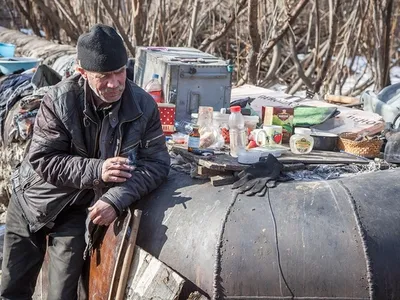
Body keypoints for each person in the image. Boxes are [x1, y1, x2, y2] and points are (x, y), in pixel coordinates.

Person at [1, 24, 170, 299]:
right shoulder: (58, 100)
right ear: (82, 72)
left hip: (78, 210)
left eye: (120, 72)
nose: (115, 83)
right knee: (12, 289)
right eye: (104, 76)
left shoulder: (143, 105)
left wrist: (117, 199)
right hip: (32, 199)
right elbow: (44, 159)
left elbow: (157, 163)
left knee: (63, 293)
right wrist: (98, 169)